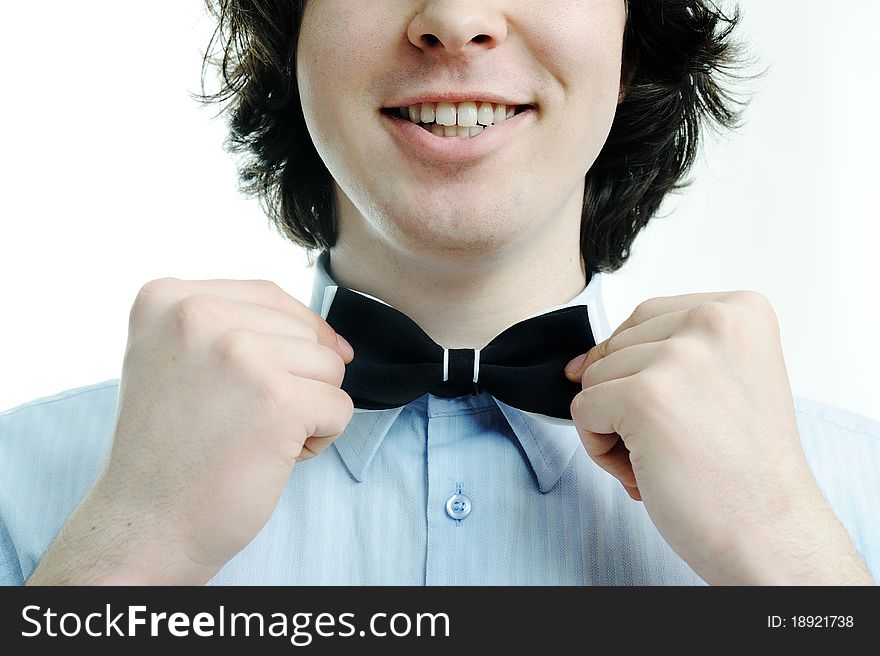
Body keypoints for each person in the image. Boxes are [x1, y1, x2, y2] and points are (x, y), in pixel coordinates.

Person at [2, 0, 877, 586]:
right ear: (288, 32)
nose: (455, 20)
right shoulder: (21, 487)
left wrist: (788, 557)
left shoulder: (854, 498)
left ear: (632, 40)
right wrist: (129, 550)